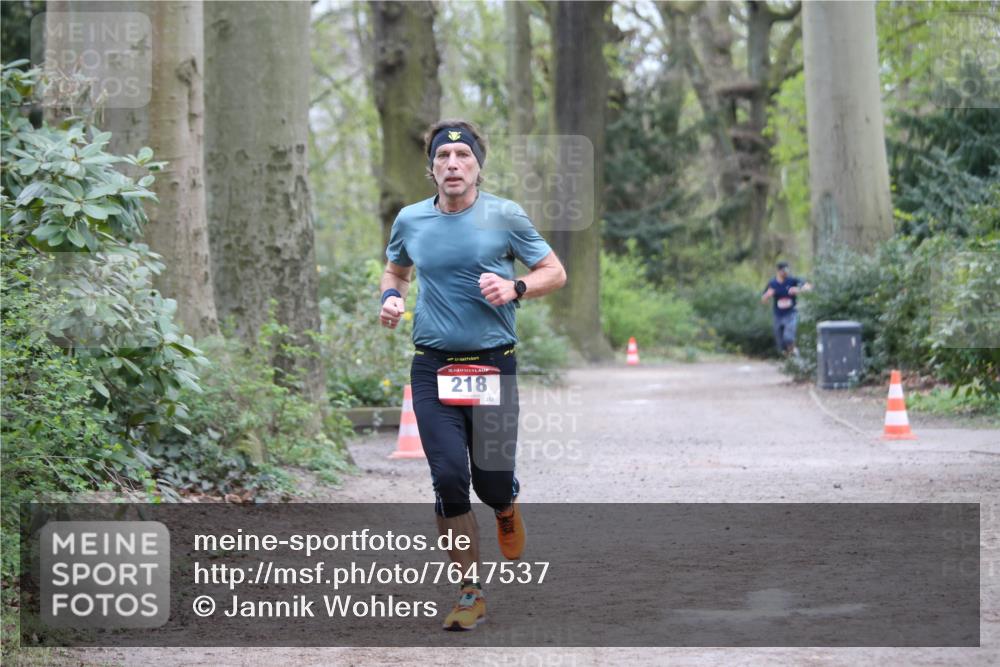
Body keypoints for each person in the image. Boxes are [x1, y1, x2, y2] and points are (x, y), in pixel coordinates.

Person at [378, 119, 566, 631]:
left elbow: (554, 270)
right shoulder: (411, 220)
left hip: (493, 364)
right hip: (432, 366)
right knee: (449, 480)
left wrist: (517, 288)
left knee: (491, 481)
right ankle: (469, 591)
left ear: (478, 166)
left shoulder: (504, 216)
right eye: (443, 158)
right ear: (431, 167)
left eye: (463, 158)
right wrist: (391, 296)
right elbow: (396, 270)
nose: (453, 165)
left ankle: (506, 505)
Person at [760, 261, 812, 356]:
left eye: (787, 270)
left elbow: (809, 287)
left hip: (791, 314)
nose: (786, 273)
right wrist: (768, 295)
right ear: (779, 271)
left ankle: (796, 355)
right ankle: (789, 359)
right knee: (781, 343)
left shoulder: (792, 280)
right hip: (778, 315)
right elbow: (763, 299)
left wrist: (798, 290)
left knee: (788, 338)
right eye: (784, 271)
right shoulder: (772, 283)